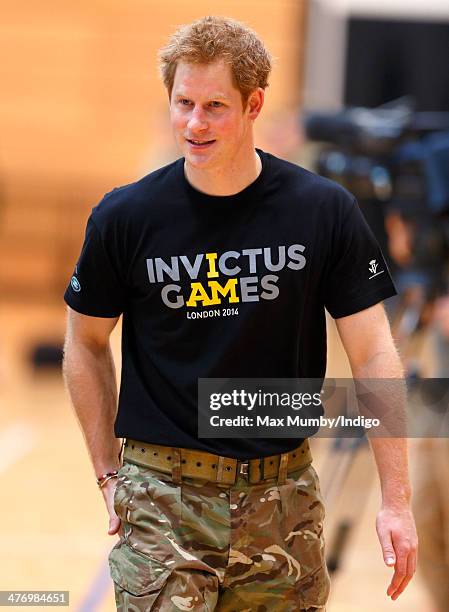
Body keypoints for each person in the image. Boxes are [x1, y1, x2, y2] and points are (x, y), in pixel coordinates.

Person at [62, 16, 418, 611]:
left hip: (284, 501)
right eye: (183, 104)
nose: (194, 124)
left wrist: (397, 499)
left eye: (215, 107)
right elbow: (85, 343)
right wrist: (107, 475)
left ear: (255, 104)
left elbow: (374, 352)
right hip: (162, 497)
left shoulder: (323, 210)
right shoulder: (124, 217)